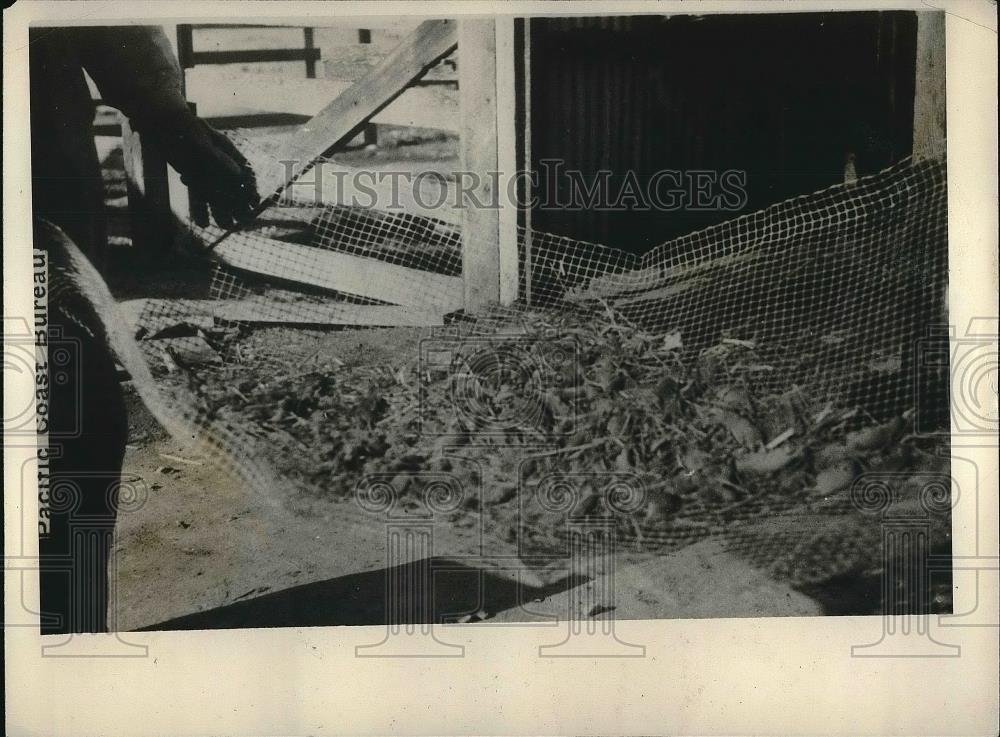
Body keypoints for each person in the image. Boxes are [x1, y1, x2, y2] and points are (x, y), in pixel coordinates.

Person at [29, 25, 260, 634]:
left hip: (38, 184)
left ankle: (65, 642)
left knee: (69, 411)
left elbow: (100, 19)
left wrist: (171, 123)